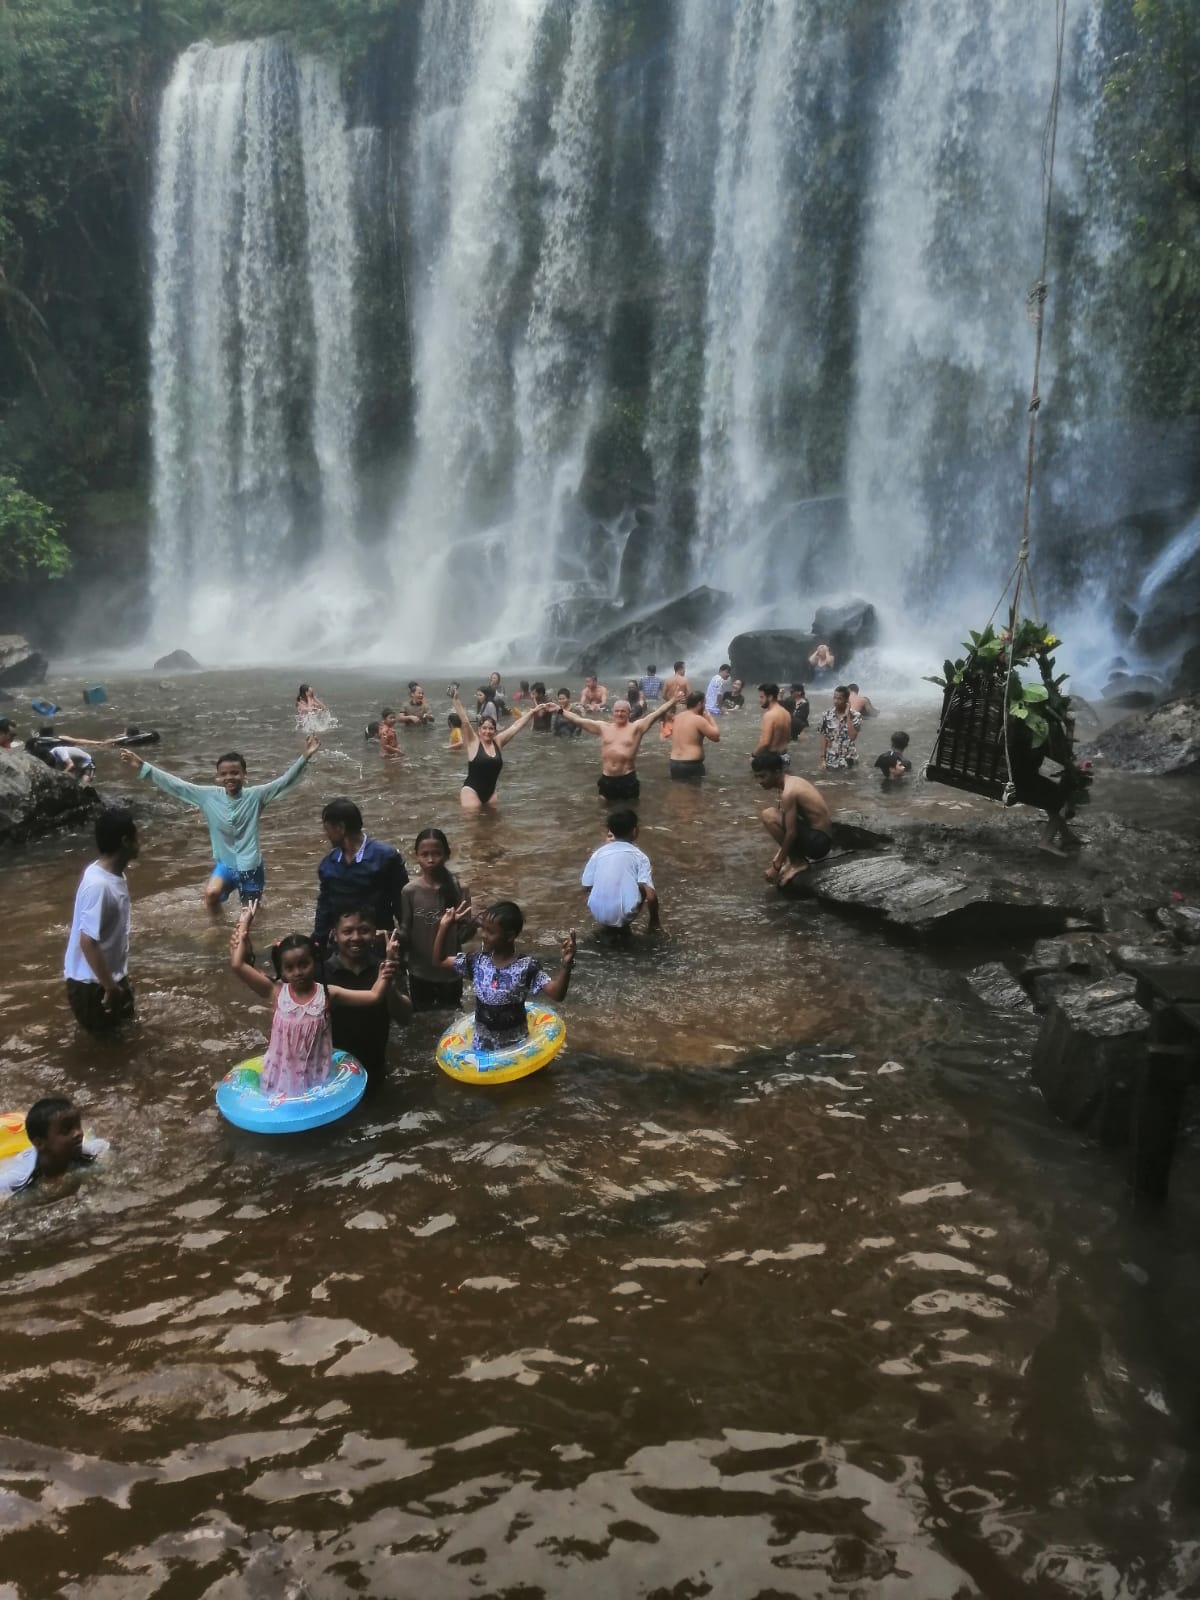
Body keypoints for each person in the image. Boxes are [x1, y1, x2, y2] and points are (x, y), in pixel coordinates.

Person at [121, 736, 319, 909]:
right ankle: (216, 930)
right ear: (218, 776)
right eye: (224, 774)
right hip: (225, 866)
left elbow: (284, 781)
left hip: (251, 868)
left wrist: (305, 756)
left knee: (248, 916)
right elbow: (177, 785)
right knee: (211, 894)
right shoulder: (208, 796)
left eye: (234, 773)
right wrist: (143, 766)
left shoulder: (256, 796)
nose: (229, 778)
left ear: (244, 775)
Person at [230, 903, 399, 1096]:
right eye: (290, 968)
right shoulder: (275, 992)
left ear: (315, 962)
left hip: (317, 1074)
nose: (298, 972)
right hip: (281, 1072)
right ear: (282, 971)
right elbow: (237, 965)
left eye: (304, 964)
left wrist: (389, 961)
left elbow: (374, 995)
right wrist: (244, 925)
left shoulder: (327, 993)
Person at [432, 900, 576, 1052]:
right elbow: (438, 960)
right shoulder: (477, 961)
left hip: (517, 1050)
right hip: (482, 1048)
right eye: (483, 929)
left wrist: (566, 964)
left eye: (491, 932)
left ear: (509, 936)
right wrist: (444, 926)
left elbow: (557, 994)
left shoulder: (526, 967)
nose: (483, 935)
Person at [63, 807, 138, 1033]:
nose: (140, 842)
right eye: (137, 837)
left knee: (129, 1039)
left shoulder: (110, 873)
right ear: (126, 841)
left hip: (109, 978)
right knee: (111, 1050)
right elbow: (87, 940)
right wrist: (110, 988)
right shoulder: (99, 885)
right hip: (92, 985)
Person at [323, 907, 411, 1085]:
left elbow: (405, 1019)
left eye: (364, 930)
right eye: (347, 931)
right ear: (334, 935)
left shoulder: (387, 968)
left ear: (374, 933)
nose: (356, 937)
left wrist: (390, 986)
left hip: (375, 1067)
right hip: (331, 1071)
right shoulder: (321, 973)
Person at [313, 798, 409, 952]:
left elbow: (402, 902)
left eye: (327, 829)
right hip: (343, 943)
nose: (326, 834)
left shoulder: (385, 857)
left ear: (341, 828)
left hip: (377, 940)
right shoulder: (328, 864)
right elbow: (324, 907)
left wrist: (404, 936)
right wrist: (317, 942)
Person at [399, 827, 477, 1011]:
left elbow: (465, 935)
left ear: (447, 855)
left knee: (451, 1015)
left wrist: (472, 925)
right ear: (416, 856)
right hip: (419, 971)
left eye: (437, 854)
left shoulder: (460, 889)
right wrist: (390, 936)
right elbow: (405, 929)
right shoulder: (410, 891)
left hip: (450, 972)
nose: (431, 860)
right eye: (424, 854)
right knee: (421, 1016)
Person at [556, 695, 676, 800]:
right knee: (604, 812)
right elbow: (579, 720)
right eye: (617, 711)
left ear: (629, 713)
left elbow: (657, 713)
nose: (619, 714)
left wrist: (673, 700)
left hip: (627, 778)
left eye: (623, 711)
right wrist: (559, 710)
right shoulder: (603, 727)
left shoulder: (637, 728)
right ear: (613, 712)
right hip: (607, 778)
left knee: (630, 810)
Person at [751, 752, 834, 886]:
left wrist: (776, 866)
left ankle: (798, 863)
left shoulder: (789, 792)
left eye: (763, 776)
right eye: (756, 777)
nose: (760, 781)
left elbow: (791, 833)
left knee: (769, 815)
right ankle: (794, 860)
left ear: (777, 772)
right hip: (823, 838)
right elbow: (793, 822)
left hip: (818, 844)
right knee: (774, 813)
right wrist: (780, 856)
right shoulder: (792, 780)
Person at [0, 1098, 109, 1198]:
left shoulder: (89, 1151)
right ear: (40, 1143)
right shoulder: (21, 1175)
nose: (78, 1134)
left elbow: (104, 1147)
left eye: (78, 1126)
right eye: (66, 1131)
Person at [452, 691, 539, 811]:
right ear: (479, 730)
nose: (487, 731)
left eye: (491, 728)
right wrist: (456, 701)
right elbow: (465, 722)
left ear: (495, 731)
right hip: (471, 791)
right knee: (472, 827)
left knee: (494, 823)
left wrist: (532, 712)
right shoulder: (473, 742)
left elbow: (515, 726)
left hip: (491, 793)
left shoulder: (497, 742)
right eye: (484, 728)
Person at [581, 809, 660, 931]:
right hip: (623, 916)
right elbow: (651, 897)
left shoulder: (598, 853)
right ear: (635, 831)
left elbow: (585, 887)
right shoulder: (640, 856)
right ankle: (623, 923)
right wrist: (654, 920)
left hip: (597, 913)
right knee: (643, 883)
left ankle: (607, 917)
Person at [668, 691, 720, 779]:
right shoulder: (698, 719)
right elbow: (716, 737)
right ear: (700, 703)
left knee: (678, 791)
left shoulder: (676, 718)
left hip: (674, 763)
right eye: (704, 703)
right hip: (691, 764)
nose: (705, 707)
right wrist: (709, 717)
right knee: (695, 792)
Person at [818, 686, 862, 771]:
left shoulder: (856, 716)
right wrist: (822, 759)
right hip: (831, 759)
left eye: (839, 699)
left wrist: (848, 715)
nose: (836, 701)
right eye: (834, 698)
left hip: (850, 759)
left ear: (846, 700)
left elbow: (853, 737)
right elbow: (824, 737)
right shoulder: (826, 715)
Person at [755, 684, 793, 762]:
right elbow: (788, 738)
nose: (759, 700)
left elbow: (765, 742)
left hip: (771, 759)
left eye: (762, 697)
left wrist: (754, 755)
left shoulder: (769, 715)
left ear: (770, 697)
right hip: (784, 757)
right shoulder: (786, 713)